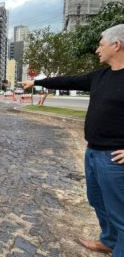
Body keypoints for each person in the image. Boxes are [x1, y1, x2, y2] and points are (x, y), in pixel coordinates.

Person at [19, 24, 124, 256]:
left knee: (120, 213)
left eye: (101, 44)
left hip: (116, 159)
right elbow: (67, 81)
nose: (97, 50)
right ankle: (108, 242)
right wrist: (36, 82)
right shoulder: (100, 76)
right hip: (93, 153)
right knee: (98, 202)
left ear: (117, 45)